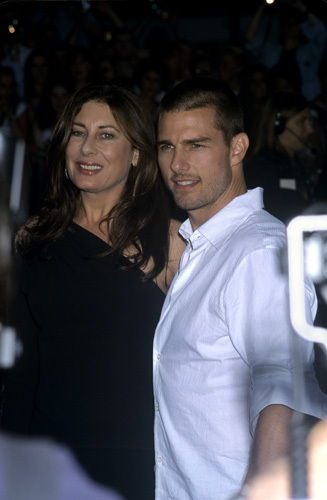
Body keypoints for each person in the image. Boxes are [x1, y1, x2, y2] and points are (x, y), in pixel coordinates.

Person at [0, 82, 185, 500]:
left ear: (136, 154)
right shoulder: (34, 240)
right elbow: (22, 374)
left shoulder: (168, 243)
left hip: (134, 457)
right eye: (78, 132)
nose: (87, 148)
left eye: (106, 135)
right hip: (49, 456)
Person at [152, 77, 327, 500]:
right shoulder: (202, 246)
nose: (177, 164)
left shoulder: (257, 253)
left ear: (237, 148)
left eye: (196, 145)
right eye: (166, 147)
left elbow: (284, 394)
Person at [244, 90, 323, 224]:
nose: (310, 130)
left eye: (310, 122)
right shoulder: (260, 168)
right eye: (302, 122)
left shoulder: (297, 165)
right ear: (278, 125)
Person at [245, 0, 327, 102]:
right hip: (275, 105)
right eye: (287, 23)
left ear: (301, 28)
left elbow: (322, 33)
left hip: (307, 105)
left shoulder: (309, 51)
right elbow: (250, 38)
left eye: (294, 23)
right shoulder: (271, 51)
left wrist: (302, 8)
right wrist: (261, 7)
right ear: (282, 27)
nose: (290, 26)